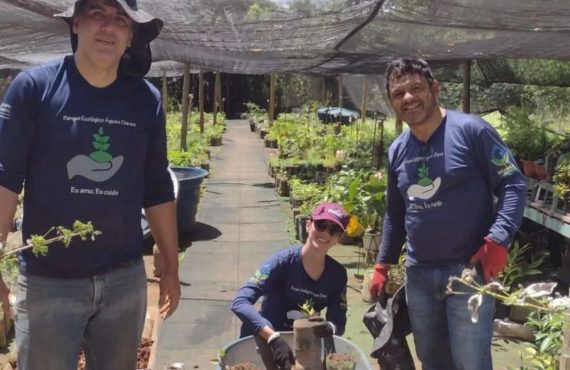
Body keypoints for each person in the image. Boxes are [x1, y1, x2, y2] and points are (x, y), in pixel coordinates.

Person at [0, 0, 180, 369]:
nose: (108, 27)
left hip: (124, 280)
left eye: (120, 20)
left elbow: (157, 188)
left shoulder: (145, 101)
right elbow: (5, 180)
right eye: (97, 13)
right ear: (76, 23)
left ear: (131, 37)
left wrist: (171, 268)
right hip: (50, 283)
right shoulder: (35, 89)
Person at [369, 58, 527, 370]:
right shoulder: (398, 150)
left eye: (416, 88)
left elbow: (512, 182)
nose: (408, 98)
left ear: (435, 88)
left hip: (468, 271)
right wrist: (382, 263)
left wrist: (498, 239)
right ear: (392, 102)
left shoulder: (472, 131)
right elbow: (395, 211)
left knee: (471, 362)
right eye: (398, 93)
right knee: (432, 360)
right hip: (420, 274)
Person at [231, 202, 350, 370]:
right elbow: (240, 302)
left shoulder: (337, 275)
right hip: (264, 340)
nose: (325, 233)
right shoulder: (281, 262)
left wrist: (327, 328)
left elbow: (338, 320)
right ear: (309, 225)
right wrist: (272, 338)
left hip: (304, 346)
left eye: (334, 230)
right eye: (321, 225)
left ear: (339, 237)